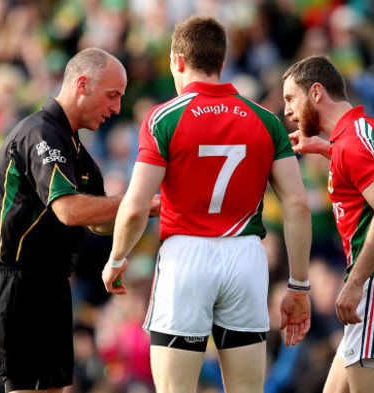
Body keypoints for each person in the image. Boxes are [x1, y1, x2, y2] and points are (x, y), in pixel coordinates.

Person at [101, 16, 312, 393]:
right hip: (246, 256)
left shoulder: (163, 117)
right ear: (222, 60)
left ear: (178, 60)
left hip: (186, 256)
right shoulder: (264, 120)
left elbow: (134, 207)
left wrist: (117, 258)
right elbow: (297, 204)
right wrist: (298, 285)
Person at [0, 47, 157, 392]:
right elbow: (70, 211)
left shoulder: (75, 148)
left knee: (54, 388)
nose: (117, 108)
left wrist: (137, 216)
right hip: (19, 283)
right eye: (112, 95)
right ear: (82, 84)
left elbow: (99, 220)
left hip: (53, 282)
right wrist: (137, 202)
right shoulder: (41, 134)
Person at [282, 55, 374, 393]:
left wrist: (355, 281)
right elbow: (366, 168)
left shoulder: (349, 144)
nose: (287, 110)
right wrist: (327, 149)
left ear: (316, 92)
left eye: (291, 98)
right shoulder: (369, 129)